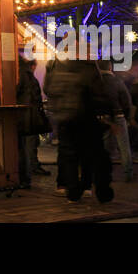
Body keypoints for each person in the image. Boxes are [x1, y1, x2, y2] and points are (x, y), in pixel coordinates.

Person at [48, 59, 113, 203]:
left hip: (66, 121)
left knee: (69, 157)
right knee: (96, 156)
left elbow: (51, 92)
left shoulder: (60, 72)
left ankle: (72, 190)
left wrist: (58, 115)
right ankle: (101, 190)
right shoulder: (90, 70)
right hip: (88, 120)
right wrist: (106, 115)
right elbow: (101, 96)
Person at [99, 60, 134, 182]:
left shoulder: (96, 82)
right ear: (110, 68)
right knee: (124, 146)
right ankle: (128, 173)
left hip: (102, 118)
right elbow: (126, 100)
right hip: (118, 116)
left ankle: (104, 172)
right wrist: (127, 116)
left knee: (104, 147)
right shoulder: (117, 81)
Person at [16, 58, 49, 188]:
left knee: (24, 145)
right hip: (29, 114)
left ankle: (24, 177)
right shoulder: (27, 74)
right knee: (27, 145)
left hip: (24, 115)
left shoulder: (20, 74)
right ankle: (28, 173)